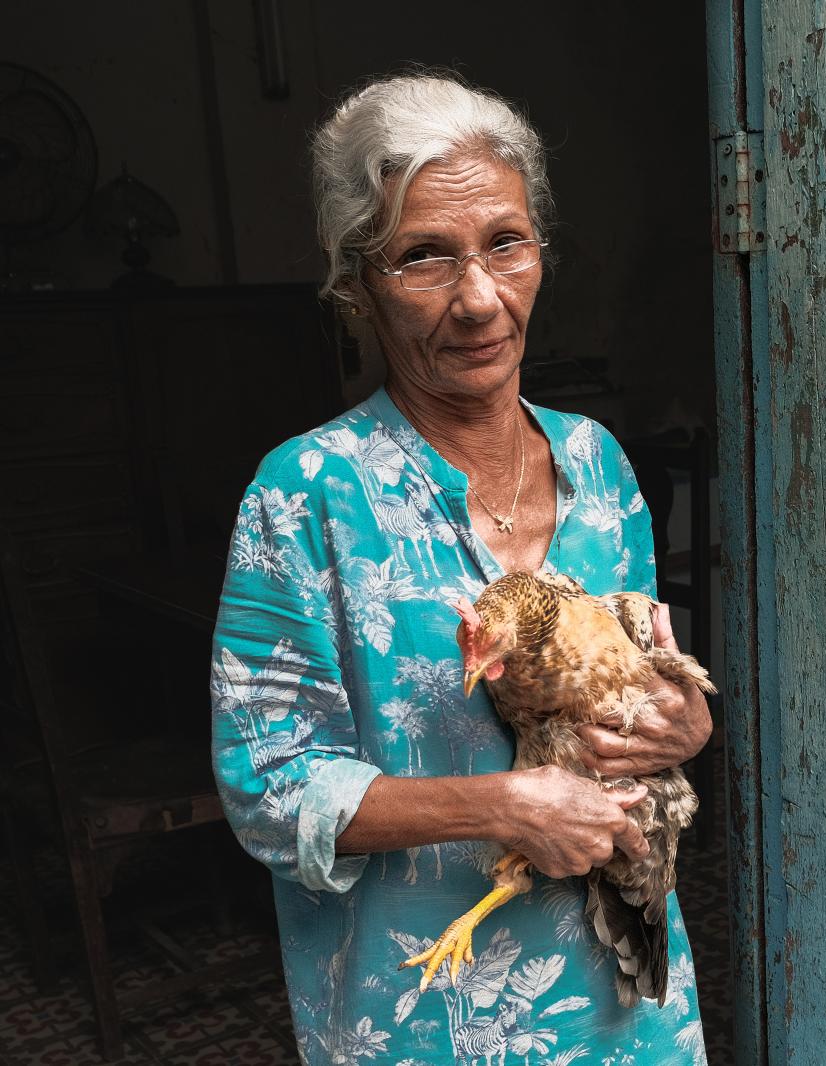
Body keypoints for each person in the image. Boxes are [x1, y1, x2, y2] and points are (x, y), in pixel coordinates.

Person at [210, 73, 712, 1065]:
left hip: (626, 1000)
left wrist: (681, 723)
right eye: (423, 257)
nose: (479, 298)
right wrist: (499, 804)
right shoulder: (305, 495)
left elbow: (634, 694)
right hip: (426, 1012)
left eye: (505, 245)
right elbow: (268, 788)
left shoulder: (600, 465)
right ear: (357, 285)